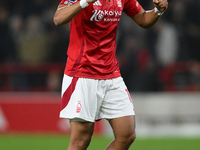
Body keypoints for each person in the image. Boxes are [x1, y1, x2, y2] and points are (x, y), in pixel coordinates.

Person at [53, 0, 168, 149]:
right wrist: (84, 2)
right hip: (82, 73)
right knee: (81, 140)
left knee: (127, 135)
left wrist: (158, 11)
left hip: (111, 73)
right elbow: (58, 18)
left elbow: (144, 19)